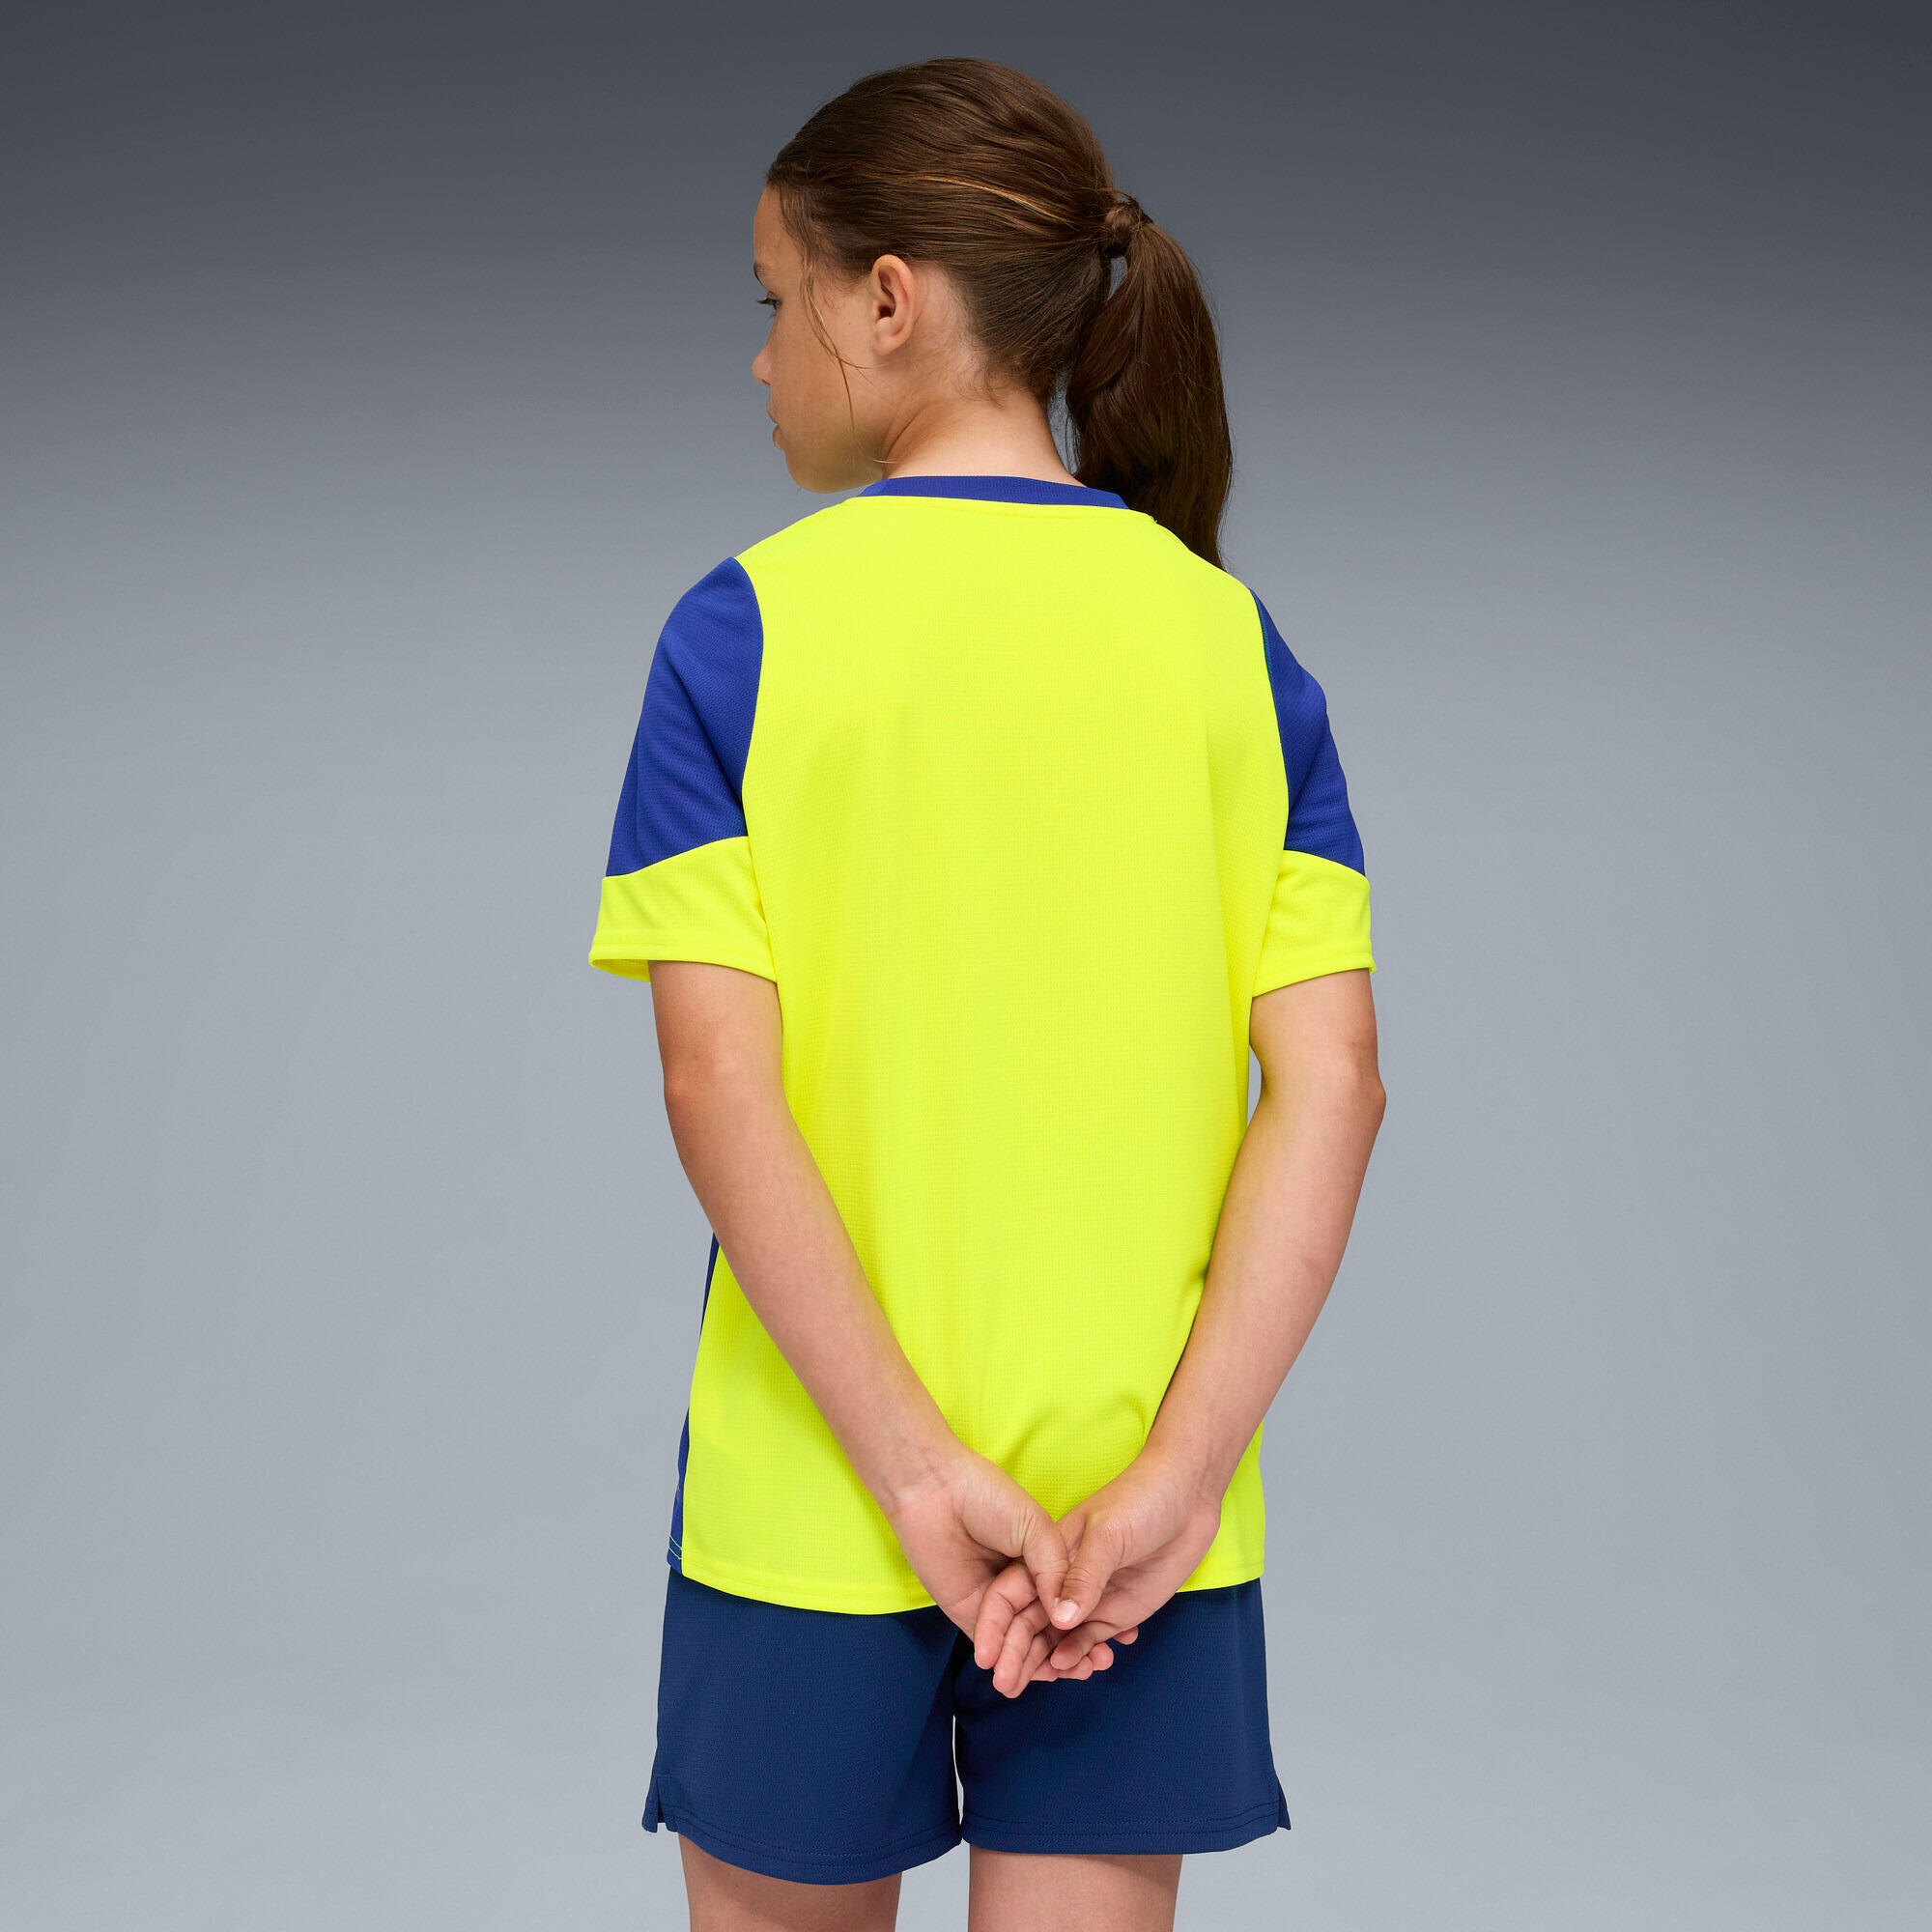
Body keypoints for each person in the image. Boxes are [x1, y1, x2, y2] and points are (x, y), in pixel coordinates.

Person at [586, 55, 1386, 1932]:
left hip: (820, 1494)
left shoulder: (741, 633)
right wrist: (1183, 1475)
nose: (758, 358)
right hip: (1137, 1524)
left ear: (887, 300)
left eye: (773, 298)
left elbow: (717, 1087)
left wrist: (917, 1473)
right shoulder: (1233, 644)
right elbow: (1333, 1087)